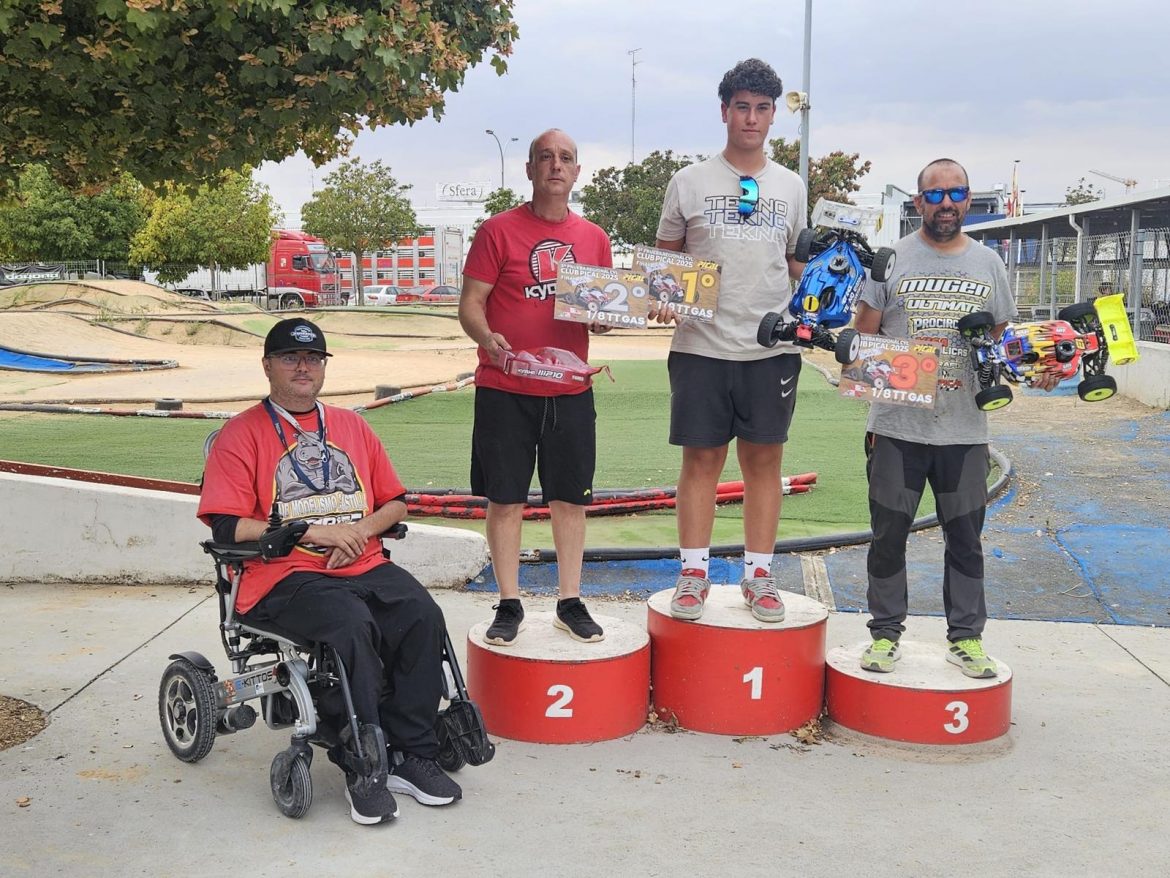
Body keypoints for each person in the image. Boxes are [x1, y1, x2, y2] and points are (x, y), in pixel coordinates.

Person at [197, 317, 460, 825]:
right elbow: (228, 526)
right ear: (268, 365)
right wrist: (317, 534)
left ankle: (413, 752)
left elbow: (396, 504)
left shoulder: (352, 425)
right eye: (291, 358)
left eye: (313, 358)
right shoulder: (241, 434)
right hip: (283, 573)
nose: (303, 367)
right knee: (350, 628)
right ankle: (362, 764)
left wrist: (358, 532)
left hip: (360, 559)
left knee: (422, 614)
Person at [852, 158, 1057, 679]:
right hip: (897, 427)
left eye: (956, 194)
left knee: (965, 539)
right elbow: (861, 341)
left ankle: (966, 639)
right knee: (888, 535)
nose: (946, 204)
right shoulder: (889, 259)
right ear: (918, 203)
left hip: (966, 429)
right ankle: (884, 635)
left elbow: (1005, 346)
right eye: (934, 195)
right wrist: (883, 365)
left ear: (967, 200)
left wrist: (1040, 369)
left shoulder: (989, 263)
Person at [652, 58, 808, 623]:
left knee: (764, 461)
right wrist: (662, 295)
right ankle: (693, 574)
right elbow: (663, 264)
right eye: (741, 106)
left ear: (773, 116)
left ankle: (759, 577)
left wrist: (830, 294)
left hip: (771, 347)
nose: (751, 118)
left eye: (762, 108)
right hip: (700, 345)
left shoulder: (791, 186)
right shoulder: (688, 181)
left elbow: (797, 267)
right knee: (701, 460)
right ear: (724, 111)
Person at [458, 128, 614, 646]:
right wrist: (488, 337)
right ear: (529, 170)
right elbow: (470, 305)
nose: (555, 165)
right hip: (506, 387)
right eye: (545, 157)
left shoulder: (593, 237)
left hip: (569, 391)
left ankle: (569, 601)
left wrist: (608, 319)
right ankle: (509, 603)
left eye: (566, 158)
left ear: (576, 172)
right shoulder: (497, 231)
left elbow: (600, 312)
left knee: (570, 499)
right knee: (505, 500)